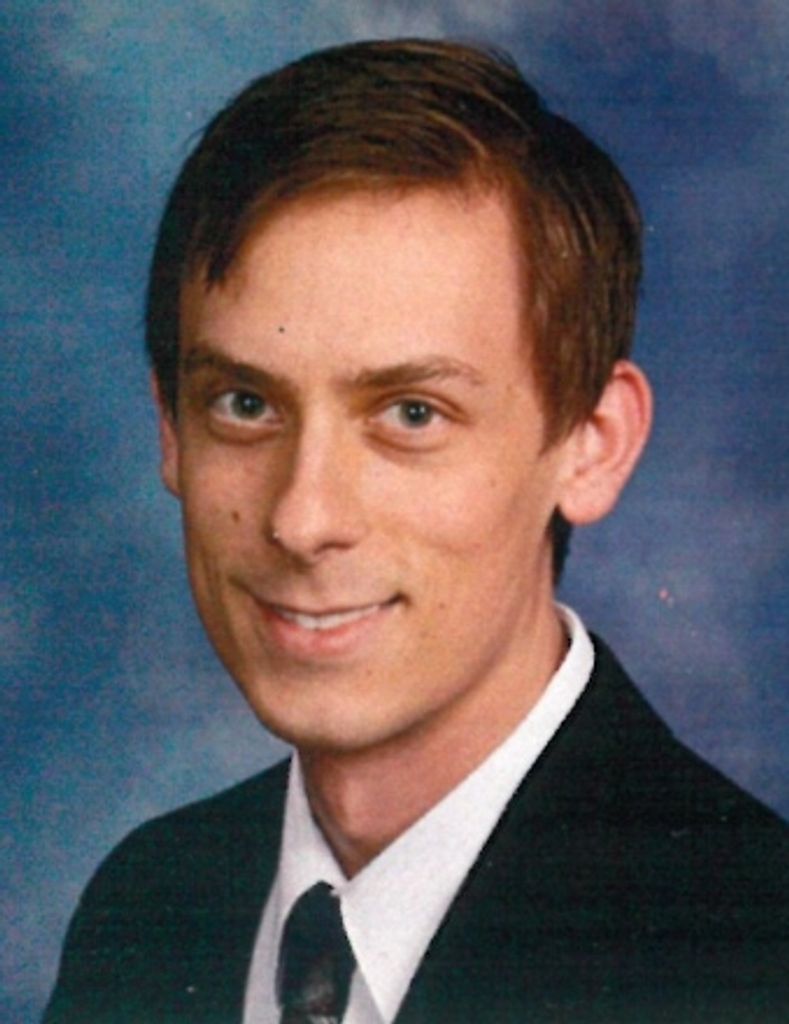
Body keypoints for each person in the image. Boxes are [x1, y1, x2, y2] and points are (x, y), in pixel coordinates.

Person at [43, 38, 787, 1024]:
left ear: (592, 445)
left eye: (411, 414)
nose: (303, 518)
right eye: (244, 404)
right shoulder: (149, 908)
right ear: (171, 433)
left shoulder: (754, 957)